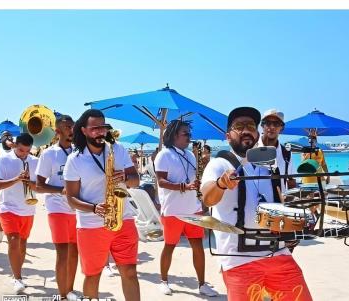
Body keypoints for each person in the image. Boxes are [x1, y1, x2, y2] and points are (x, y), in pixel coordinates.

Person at [201, 107, 312, 301]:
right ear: (228, 136)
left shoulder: (269, 167)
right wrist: (221, 183)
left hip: (278, 253)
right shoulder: (219, 164)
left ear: (256, 133)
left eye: (250, 126)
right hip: (239, 260)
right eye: (239, 126)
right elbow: (207, 198)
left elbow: (281, 204)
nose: (245, 130)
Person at [64, 109, 141, 300]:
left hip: (123, 218)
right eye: (95, 128)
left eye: (103, 127)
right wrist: (93, 208)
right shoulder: (74, 160)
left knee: (130, 272)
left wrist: (124, 176)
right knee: (93, 276)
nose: (101, 132)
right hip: (91, 225)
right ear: (83, 130)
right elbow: (71, 199)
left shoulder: (118, 149)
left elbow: (135, 181)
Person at [154, 120, 218, 297]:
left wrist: (199, 184)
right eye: (186, 134)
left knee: (197, 246)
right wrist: (184, 186)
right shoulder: (164, 155)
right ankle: (164, 281)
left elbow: (194, 179)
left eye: (190, 134)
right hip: (173, 209)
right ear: (174, 135)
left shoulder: (190, 155)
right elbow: (161, 181)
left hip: (193, 208)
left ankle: (202, 284)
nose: (190, 138)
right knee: (170, 246)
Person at [35, 115, 79, 300]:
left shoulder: (80, 152)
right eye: (68, 127)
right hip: (57, 208)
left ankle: (69, 290)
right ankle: (62, 295)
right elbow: (39, 185)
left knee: (74, 253)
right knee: (62, 253)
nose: (72, 130)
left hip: (78, 209)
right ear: (58, 131)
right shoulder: (48, 154)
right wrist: (62, 190)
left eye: (73, 127)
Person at [0, 133, 40, 293]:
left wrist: (32, 183)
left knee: (23, 243)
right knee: (14, 240)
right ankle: (17, 277)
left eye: (27, 151)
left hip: (28, 208)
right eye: (21, 150)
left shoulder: (35, 161)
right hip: (8, 207)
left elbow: (40, 185)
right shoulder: (3, 159)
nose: (24, 154)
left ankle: (17, 273)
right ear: (15, 145)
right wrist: (16, 179)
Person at [257, 109, 296, 201]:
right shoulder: (251, 150)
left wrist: (292, 202)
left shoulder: (286, 154)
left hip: (280, 210)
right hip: (256, 211)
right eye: (268, 123)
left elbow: (291, 181)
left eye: (276, 124)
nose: (272, 127)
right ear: (262, 125)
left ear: (281, 128)